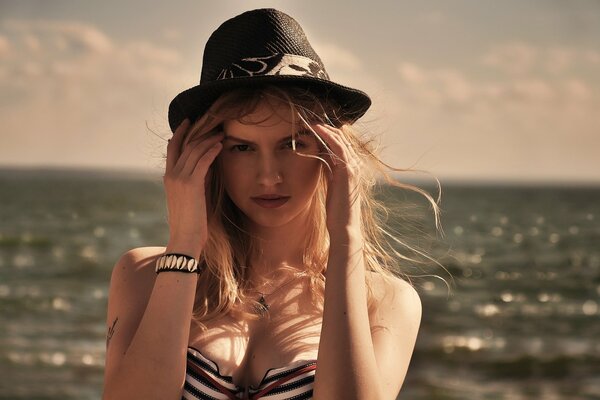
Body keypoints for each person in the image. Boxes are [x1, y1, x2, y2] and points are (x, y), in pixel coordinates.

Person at [102, 8, 442, 400]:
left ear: (334, 152)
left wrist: (346, 239)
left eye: (293, 144)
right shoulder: (143, 274)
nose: (268, 176)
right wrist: (185, 241)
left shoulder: (384, 302)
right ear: (206, 155)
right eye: (242, 147)